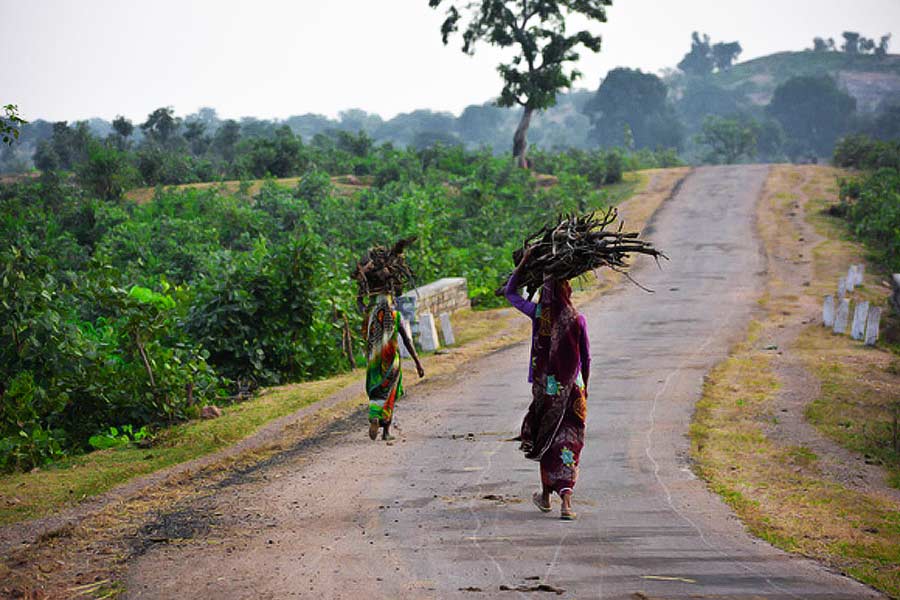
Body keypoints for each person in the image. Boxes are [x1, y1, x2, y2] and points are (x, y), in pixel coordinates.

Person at [504, 247, 591, 520]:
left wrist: (524, 265)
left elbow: (510, 293)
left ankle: (545, 495)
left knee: (548, 438)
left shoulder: (539, 314)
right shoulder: (578, 319)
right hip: (573, 390)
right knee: (569, 441)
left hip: (547, 389)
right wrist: (582, 388)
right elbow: (585, 358)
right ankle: (565, 501)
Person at [362, 293, 425, 441]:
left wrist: (361, 298)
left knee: (376, 392)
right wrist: (417, 362)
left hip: (374, 363)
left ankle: (374, 418)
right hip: (392, 363)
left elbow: (362, 307)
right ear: (392, 303)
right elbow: (407, 340)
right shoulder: (396, 317)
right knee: (389, 394)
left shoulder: (372, 317)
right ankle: (386, 432)